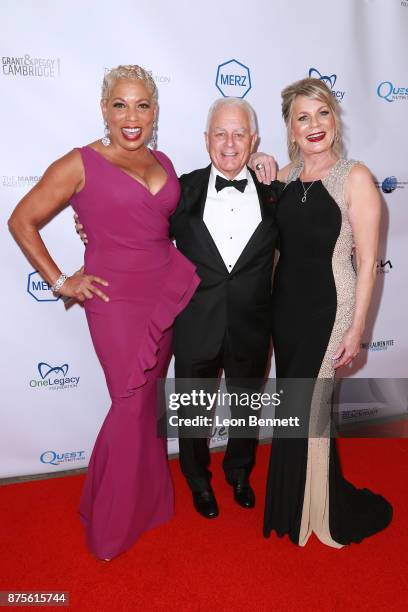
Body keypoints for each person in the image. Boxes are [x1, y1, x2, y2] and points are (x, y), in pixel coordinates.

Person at [8, 64, 200, 560]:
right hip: (113, 299)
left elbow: (152, 222)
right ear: (104, 110)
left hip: (163, 291)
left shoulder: (164, 160)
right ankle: (111, 524)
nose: (131, 116)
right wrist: (61, 281)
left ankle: (150, 504)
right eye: (120, 104)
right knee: (130, 403)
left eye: (142, 105)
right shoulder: (78, 163)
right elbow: (21, 220)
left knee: (146, 403)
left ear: (156, 110)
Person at [256, 77, 393, 547]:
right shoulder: (286, 177)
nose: (314, 125)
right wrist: (260, 165)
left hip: (331, 308)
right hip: (287, 309)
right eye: (302, 117)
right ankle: (296, 504)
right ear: (291, 130)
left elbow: (368, 263)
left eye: (323, 113)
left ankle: (318, 512)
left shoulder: (355, 176)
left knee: (311, 408)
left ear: (335, 120)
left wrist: (357, 329)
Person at [169, 98, 278, 519]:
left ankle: (239, 472)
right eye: (220, 133)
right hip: (196, 324)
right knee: (192, 411)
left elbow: (308, 239)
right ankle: (197, 480)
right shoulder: (184, 190)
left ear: (253, 141)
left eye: (238, 134)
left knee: (247, 406)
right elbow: (139, 233)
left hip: (252, 324)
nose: (229, 143)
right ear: (206, 140)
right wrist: (91, 225)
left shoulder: (275, 194)